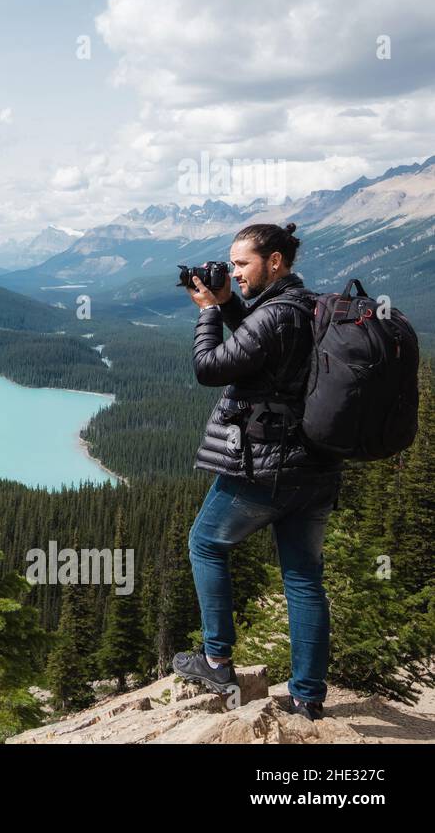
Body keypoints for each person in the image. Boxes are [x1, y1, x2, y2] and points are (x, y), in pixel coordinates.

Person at [173, 222, 343, 721]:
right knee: (304, 579)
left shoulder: (276, 315)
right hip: (316, 467)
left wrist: (207, 313)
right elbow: (261, 343)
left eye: (242, 264)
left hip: (265, 468)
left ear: (274, 262)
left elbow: (210, 367)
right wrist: (227, 304)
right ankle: (307, 698)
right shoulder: (304, 307)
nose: (234, 272)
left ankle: (216, 660)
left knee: (206, 543)